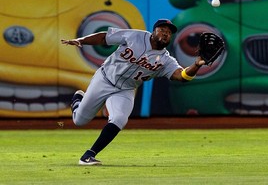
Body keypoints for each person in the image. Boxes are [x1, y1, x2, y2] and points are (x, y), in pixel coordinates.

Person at [61, 19, 206, 165]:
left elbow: (181, 76)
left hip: (125, 90)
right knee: (79, 121)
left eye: (169, 33)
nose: (166, 34)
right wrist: (81, 40)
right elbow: (105, 37)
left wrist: (196, 65)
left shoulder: (166, 60)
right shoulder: (135, 36)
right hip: (104, 79)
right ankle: (78, 99)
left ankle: (88, 155)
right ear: (154, 31)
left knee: (119, 119)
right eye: (162, 30)